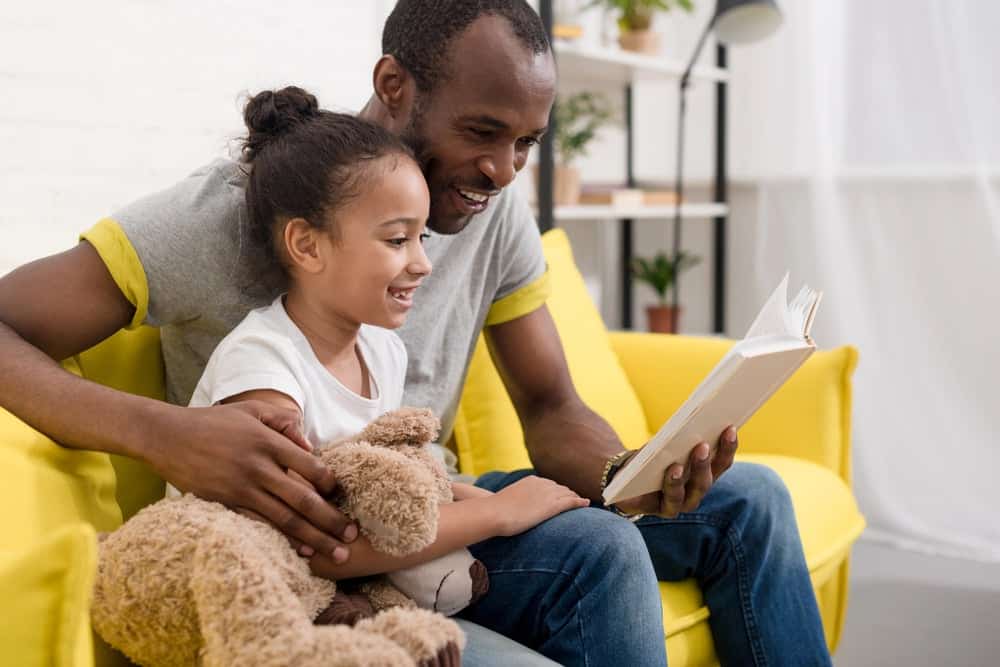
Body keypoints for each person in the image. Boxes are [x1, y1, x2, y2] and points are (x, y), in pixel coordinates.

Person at [0, 1, 832, 665]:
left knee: (751, 501)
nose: (505, 171)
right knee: (602, 550)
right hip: (330, 544)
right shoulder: (230, 214)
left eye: (527, 144)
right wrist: (165, 433)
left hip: (432, 505)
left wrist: (631, 473)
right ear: (395, 85)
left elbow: (549, 404)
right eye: (482, 133)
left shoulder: (489, 205)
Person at [178, 86, 588, 622]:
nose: (423, 263)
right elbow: (310, 547)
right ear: (307, 245)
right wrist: (499, 514)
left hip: (354, 597)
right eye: (397, 241)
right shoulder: (263, 365)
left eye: (421, 239)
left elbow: (386, 491)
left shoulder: (383, 351)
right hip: (262, 612)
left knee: (587, 537)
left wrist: (484, 499)